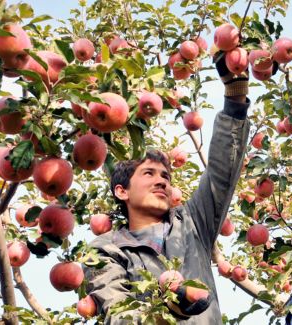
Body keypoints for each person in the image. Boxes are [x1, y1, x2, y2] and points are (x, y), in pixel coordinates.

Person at [82, 52, 252, 324]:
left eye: (165, 176)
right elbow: (117, 314)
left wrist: (235, 97)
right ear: (122, 191)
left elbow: (221, 174)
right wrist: (167, 308)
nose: (162, 180)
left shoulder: (192, 223)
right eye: (148, 173)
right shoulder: (105, 249)